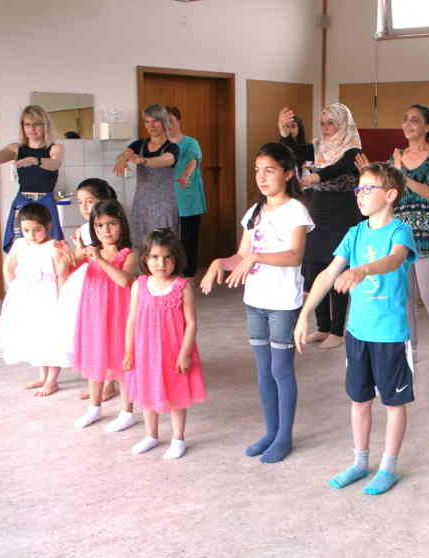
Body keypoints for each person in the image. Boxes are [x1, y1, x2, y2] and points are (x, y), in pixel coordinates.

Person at [295, 162, 417, 496]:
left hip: (390, 335)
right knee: (359, 399)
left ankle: (388, 466)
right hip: (357, 333)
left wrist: (362, 270)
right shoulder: (354, 233)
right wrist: (305, 312)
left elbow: (394, 260)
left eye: (367, 189)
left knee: (393, 403)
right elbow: (327, 274)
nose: (360, 195)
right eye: (358, 189)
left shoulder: (399, 231)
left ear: (390, 194)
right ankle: (360, 461)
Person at [200, 143, 313, 463]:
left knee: (281, 369)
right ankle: (270, 431)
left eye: (270, 170)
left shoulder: (295, 210)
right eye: (257, 170)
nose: (261, 177)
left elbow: (294, 255)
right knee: (263, 372)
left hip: (282, 303)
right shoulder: (254, 212)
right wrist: (216, 264)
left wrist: (256, 258)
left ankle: (284, 437)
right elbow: (239, 256)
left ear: (288, 173)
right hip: (255, 301)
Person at [358, 104, 429, 376]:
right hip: (400, 233)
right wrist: (373, 176)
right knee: (406, 297)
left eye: (415, 120)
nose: (409, 124)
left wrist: (402, 174)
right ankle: (411, 348)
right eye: (405, 119)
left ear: (428, 126)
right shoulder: (396, 156)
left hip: (428, 233)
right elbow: (389, 193)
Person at [277, 104, 361, 350]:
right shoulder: (317, 146)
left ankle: (337, 330)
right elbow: (291, 151)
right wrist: (283, 132)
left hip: (342, 213)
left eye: (331, 123)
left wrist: (316, 177)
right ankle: (323, 326)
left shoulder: (352, 148)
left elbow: (341, 167)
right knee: (313, 268)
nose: (325, 128)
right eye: (322, 123)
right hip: (318, 212)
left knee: (335, 269)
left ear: (342, 124)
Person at [124, 229, 206, 460]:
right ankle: (151, 435)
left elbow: (191, 323)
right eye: (155, 257)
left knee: (176, 394)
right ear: (145, 259)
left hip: (174, 350)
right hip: (145, 351)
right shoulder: (139, 285)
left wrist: (185, 354)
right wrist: (129, 350)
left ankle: (178, 438)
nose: (161, 263)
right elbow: (131, 319)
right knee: (147, 391)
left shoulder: (182, 287)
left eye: (167, 257)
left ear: (176, 258)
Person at [68, 200, 139, 432]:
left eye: (112, 224)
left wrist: (98, 259)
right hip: (93, 315)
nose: (106, 230)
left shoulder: (129, 254)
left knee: (122, 363)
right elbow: (65, 265)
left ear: (122, 225)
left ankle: (127, 411)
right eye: (99, 226)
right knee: (94, 357)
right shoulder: (90, 252)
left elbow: (124, 280)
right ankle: (94, 407)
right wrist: (70, 252)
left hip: (119, 317)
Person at [0, 203, 69, 397]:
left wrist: (62, 299)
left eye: (36, 230)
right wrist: (13, 288)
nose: (31, 235)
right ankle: (42, 375)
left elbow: (62, 275)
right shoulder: (20, 244)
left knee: (51, 336)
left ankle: (52, 380)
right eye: (26, 230)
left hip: (48, 297)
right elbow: (8, 266)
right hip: (26, 296)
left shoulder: (55, 247)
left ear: (48, 227)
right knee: (36, 335)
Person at [56, 178, 120, 403]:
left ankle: (110, 382)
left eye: (89, 201)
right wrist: (71, 253)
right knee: (91, 332)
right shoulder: (84, 228)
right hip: (87, 282)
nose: (84, 207)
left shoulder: (108, 225)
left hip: (106, 281)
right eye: (80, 202)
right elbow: (81, 257)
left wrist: (79, 252)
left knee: (108, 330)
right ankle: (97, 378)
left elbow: (98, 253)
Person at [0, 105, 65, 252]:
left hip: (45, 202)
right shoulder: (16, 148)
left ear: (45, 125)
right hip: (22, 201)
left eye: (36, 124)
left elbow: (55, 163)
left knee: (50, 246)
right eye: (27, 124)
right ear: (23, 127)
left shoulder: (54, 148)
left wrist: (35, 161)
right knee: (19, 244)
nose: (32, 128)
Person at [114, 104, 179, 246]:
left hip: (164, 204)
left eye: (155, 121)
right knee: (140, 243)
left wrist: (144, 160)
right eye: (147, 122)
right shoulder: (139, 144)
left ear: (164, 122)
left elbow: (167, 159)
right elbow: (125, 154)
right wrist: (121, 160)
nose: (151, 125)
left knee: (163, 245)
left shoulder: (172, 147)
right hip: (141, 203)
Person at [166, 106, 206, 278]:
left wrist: (185, 176)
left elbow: (192, 161)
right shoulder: (160, 144)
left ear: (179, 122)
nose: (168, 125)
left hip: (188, 196)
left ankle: (189, 275)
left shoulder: (190, 143)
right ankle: (169, 272)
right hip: (166, 198)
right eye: (164, 122)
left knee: (188, 238)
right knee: (167, 238)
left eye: (171, 121)